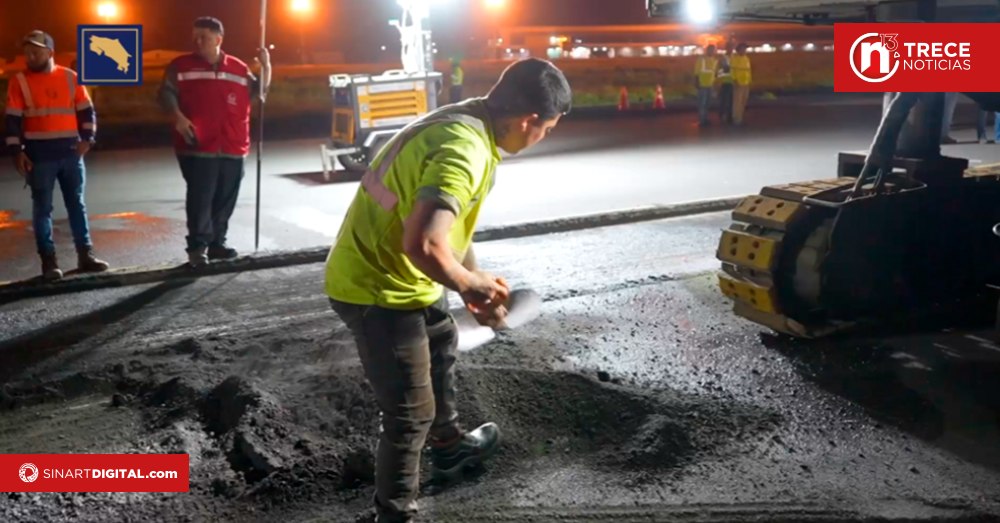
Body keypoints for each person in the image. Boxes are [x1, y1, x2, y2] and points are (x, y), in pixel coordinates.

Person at [326, 58, 572, 523]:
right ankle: (395, 513)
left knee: (440, 344)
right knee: (408, 413)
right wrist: (468, 281)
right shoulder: (466, 150)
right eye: (549, 128)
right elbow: (423, 244)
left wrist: (469, 290)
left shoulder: (468, 120)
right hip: (378, 288)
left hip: (404, 275)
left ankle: (450, 448)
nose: (546, 137)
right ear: (527, 121)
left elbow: (450, 232)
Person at [157, 17, 272, 267]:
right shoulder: (181, 66)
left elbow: (260, 93)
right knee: (200, 198)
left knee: (225, 197)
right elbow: (165, 95)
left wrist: (267, 67)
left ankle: (217, 242)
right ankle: (198, 248)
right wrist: (178, 117)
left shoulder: (239, 68)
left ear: (219, 40)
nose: (198, 42)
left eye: (205, 38)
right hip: (197, 145)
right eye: (195, 37)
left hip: (233, 144)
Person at [4, 30, 109, 280]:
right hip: (39, 157)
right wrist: (16, 151)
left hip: (71, 154)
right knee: (43, 209)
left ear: (50, 53)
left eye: (36, 52)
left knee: (76, 205)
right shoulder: (19, 80)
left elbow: (87, 112)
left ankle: (86, 256)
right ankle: (49, 262)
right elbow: (12, 121)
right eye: (28, 52)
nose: (30, 56)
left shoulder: (71, 78)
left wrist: (87, 140)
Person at [695, 44, 718, 127]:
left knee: (708, 103)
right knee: (702, 103)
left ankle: (705, 118)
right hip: (703, 84)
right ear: (707, 50)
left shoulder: (714, 60)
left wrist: (715, 83)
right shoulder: (701, 59)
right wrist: (697, 82)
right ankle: (702, 121)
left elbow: (713, 73)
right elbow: (697, 72)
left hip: (710, 84)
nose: (712, 51)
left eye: (713, 50)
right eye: (710, 50)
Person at [731, 42, 752, 125]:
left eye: (745, 49)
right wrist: (735, 80)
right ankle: (736, 118)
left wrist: (749, 81)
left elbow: (748, 71)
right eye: (743, 49)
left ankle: (740, 117)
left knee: (743, 101)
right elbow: (732, 71)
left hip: (745, 83)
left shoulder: (746, 59)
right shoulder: (735, 59)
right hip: (738, 83)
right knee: (737, 102)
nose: (744, 50)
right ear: (738, 50)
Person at [716, 44, 734, 125]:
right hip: (725, 81)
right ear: (727, 48)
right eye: (730, 47)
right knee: (724, 100)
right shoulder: (724, 58)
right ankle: (722, 116)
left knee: (731, 101)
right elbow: (726, 69)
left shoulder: (733, 57)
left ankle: (729, 116)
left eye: (732, 47)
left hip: (732, 81)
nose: (731, 49)